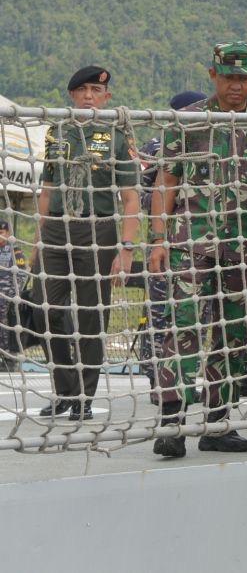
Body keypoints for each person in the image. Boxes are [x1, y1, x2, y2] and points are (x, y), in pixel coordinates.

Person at [149, 43, 247, 458]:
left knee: (235, 334)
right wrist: (158, 239)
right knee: (184, 330)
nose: (237, 85)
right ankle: (171, 423)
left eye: (245, 77)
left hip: (244, 245)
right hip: (191, 242)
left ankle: (219, 424)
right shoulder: (190, 119)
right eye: (229, 77)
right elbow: (166, 181)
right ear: (213, 74)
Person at [35, 65, 141, 420]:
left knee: (92, 316)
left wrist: (126, 249)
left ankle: (84, 397)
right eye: (83, 90)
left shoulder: (116, 135)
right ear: (72, 95)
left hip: (99, 230)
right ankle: (65, 389)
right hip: (56, 229)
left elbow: (130, 198)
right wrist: (37, 240)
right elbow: (47, 190)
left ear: (107, 97)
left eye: (96, 91)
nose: (89, 97)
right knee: (44, 309)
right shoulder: (57, 131)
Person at [136, 90, 207, 400]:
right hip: (167, 239)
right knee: (161, 313)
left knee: (199, 315)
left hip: (203, 239)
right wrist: (168, 208)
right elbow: (140, 192)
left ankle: (193, 378)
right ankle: (157, 380)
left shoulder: (209, 140)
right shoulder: (156, 147)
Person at [0, 219, 21, 369]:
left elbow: (21, 275)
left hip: (7, 295)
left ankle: (8, 358)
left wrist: (11, 293)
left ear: (7, 233)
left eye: (1, 233)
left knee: (3, 323)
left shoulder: (14, 250)